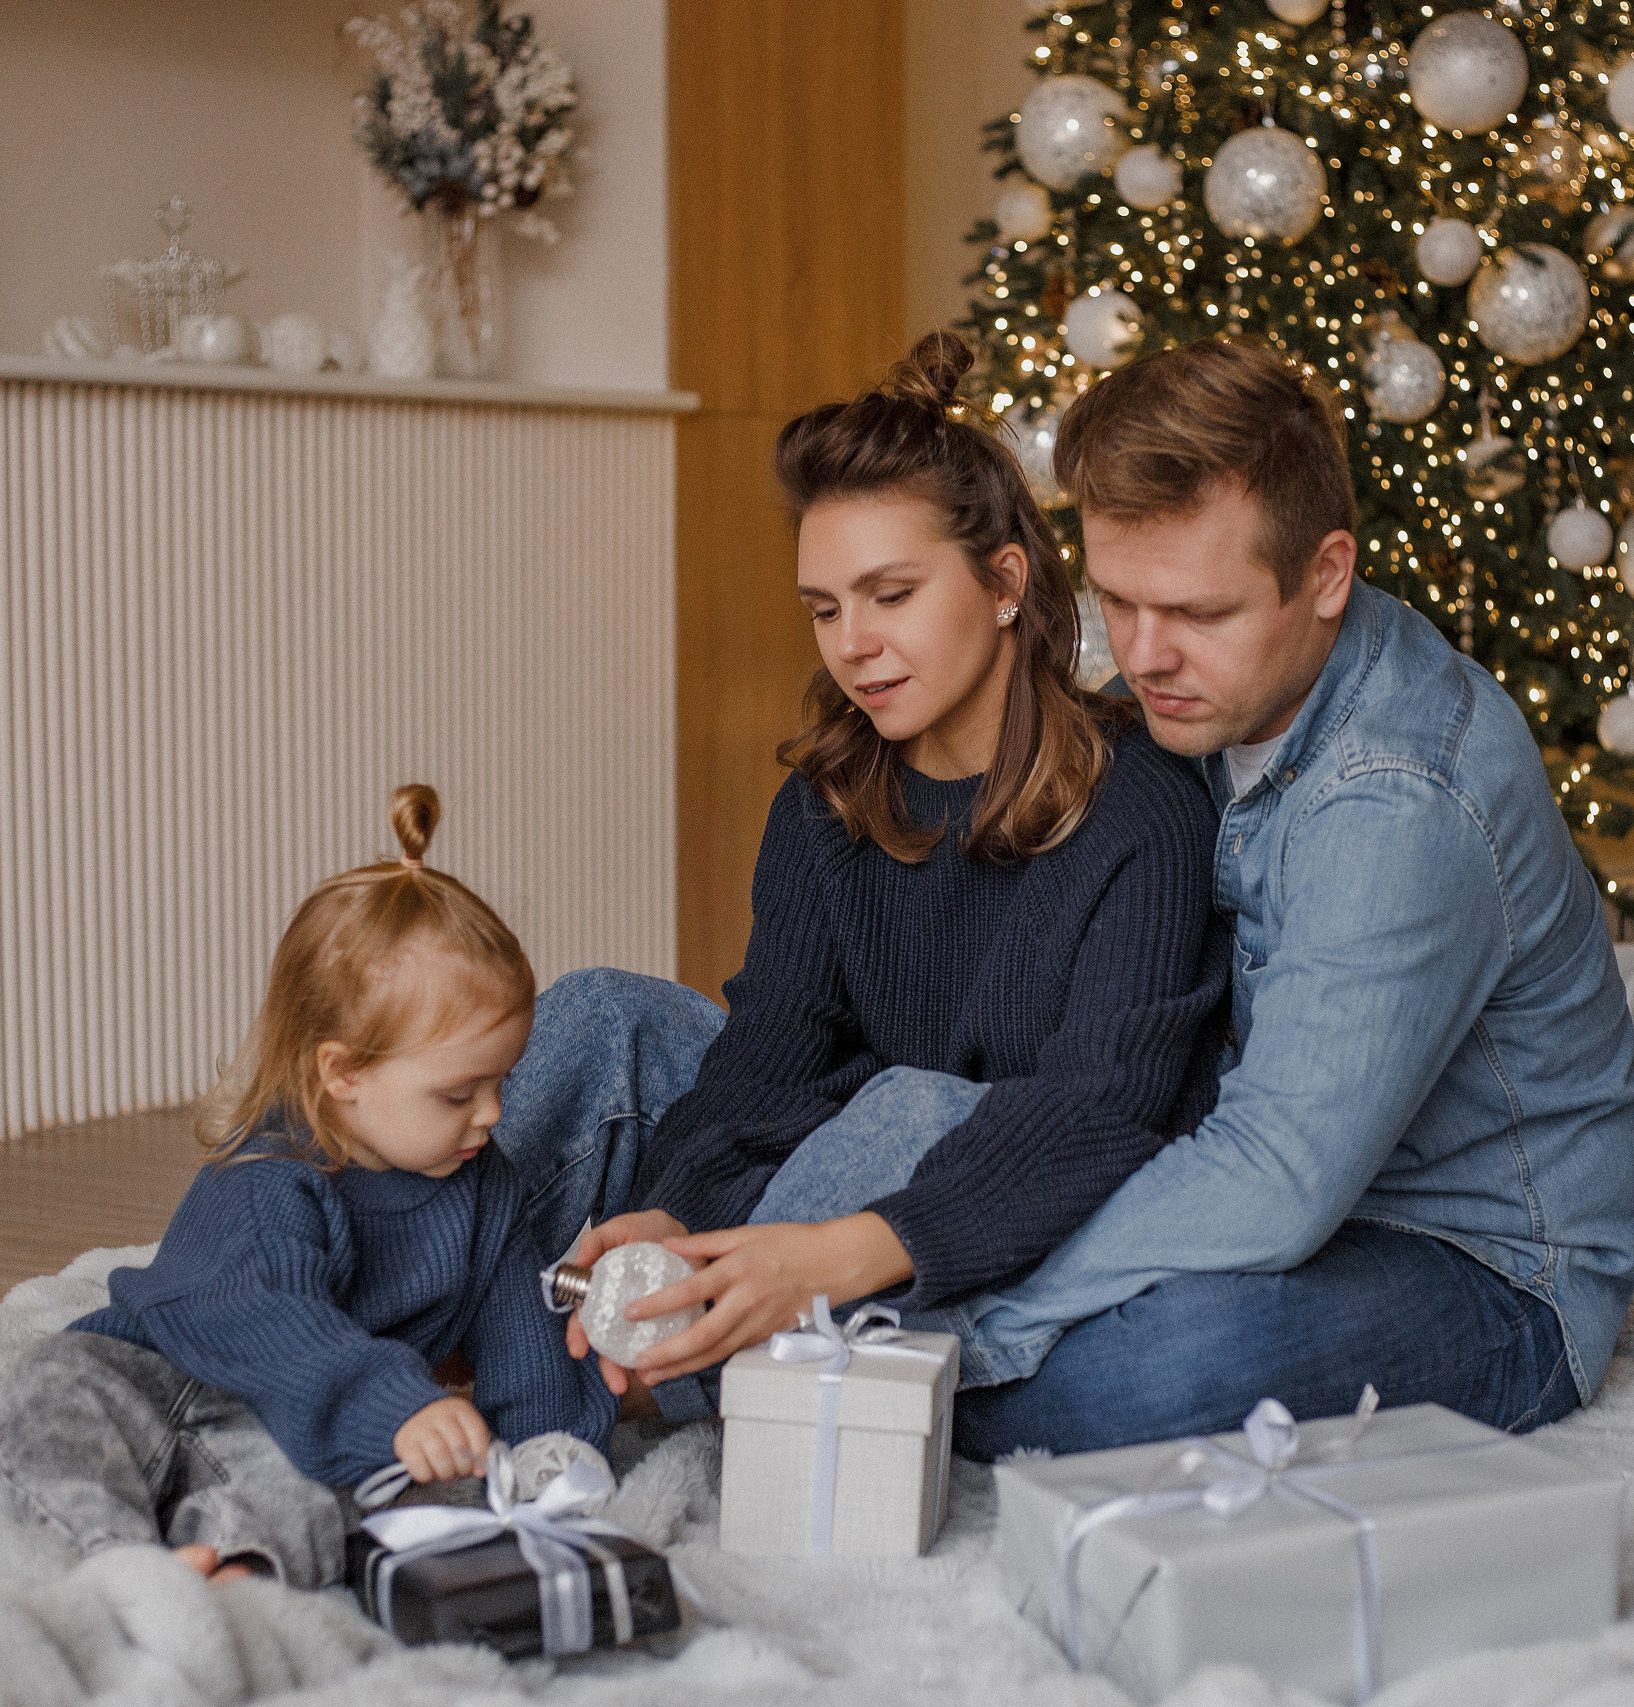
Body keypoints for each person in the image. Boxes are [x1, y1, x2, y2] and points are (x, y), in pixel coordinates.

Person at [485, 331, 1230, 1426]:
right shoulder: (826, 801)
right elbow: (771, 1051)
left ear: (1005, 583)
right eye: (825, 609)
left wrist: (791, 1256)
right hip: (836, 1164)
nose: (854, 646)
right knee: (606, 1013)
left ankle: (617, 1373)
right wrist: (672, 1207)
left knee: (911, 1106)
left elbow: (1102, 1114)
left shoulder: (1140, 804)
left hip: (985, 1211)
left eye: (890, 595)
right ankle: (357, 1269)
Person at [932, 338, 1634, 1456]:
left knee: (1153, 1373)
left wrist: (959, 1314)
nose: (1143, 655)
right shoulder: (1190, 706)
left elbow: (1275, 1183)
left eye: (1200, 614)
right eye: (1119, 602)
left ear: (1325, 576)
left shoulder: (1400, 797)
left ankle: (911, 1376)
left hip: (1477, 1263)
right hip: (1265, 1179)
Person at [0, 786, 570, 1587]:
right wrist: (395, 1402)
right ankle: (106, 1562)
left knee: (419, 1485)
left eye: (503, 1081)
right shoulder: (268, 1178)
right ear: (344, 1073)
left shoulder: (483, 1186)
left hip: (298, 1432)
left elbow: (523, 1344)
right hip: (170, 1379)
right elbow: (275, 1323)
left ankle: (232, 1568)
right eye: (459, 1093)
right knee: (49, 1388)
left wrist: (537, 1465)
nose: (493, 1113)